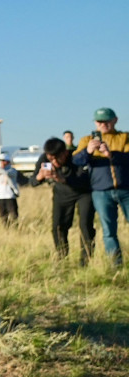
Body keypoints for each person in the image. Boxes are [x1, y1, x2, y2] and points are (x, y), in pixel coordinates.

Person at [73, 108, 129, 266]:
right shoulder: (86, 140)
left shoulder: (125, 137)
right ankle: (116, 264)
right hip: (101, 191)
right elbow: (76, 161)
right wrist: (88, 151)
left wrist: (112, 155)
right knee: (108, 230)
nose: (103, 125)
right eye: (99, 122)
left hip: (126, 189)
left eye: (106, 121)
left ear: (115, 120)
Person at [36, 137, 94, 264]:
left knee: (85, 225)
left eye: (58, 158)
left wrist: (62, 179)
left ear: (65, 153)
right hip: (61, 194)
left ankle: (86, 260)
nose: (55, 161)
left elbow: (84, 181)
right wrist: (40, 176)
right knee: (58, 226)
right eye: (51, 159)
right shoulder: (44, 159)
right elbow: (33, 182)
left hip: (83, 192)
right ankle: (62, 257)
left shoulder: (76, 158)